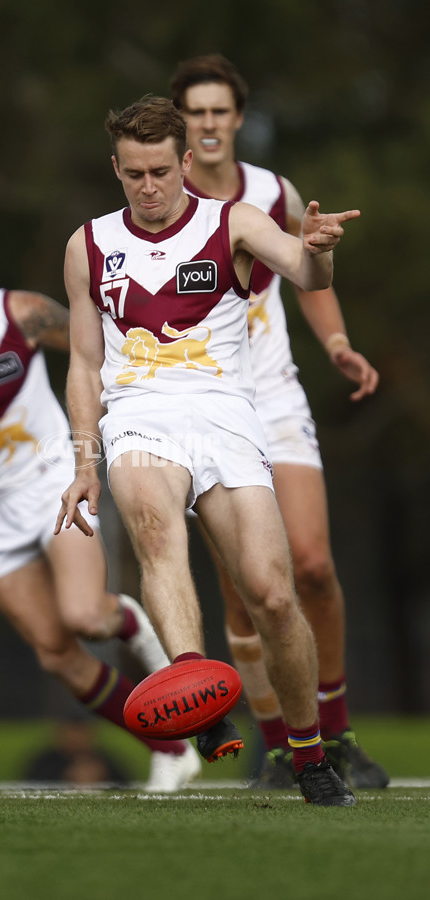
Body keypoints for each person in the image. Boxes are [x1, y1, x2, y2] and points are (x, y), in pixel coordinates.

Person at [55, 95, 362, 807]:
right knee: (156, 537)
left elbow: (304, 272)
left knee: (273, 595)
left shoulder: (234, 222)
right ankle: (194, 688)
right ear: (116, 169)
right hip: (138, 417)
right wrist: (82, 461)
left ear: (186, 161)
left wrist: (320, 254)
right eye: (133, 173)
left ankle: (309, 753)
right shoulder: (88, 245)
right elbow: (82, 363)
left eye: (160, 170)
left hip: (226, 414)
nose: (148, 186)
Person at [0, 224, 202, 793]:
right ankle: (170, 748)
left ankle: (122, 617)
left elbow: (95, 343)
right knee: (56, 656)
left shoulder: (20, 314)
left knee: (84, 618)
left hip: (53, 481)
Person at [169, 54, 388, 790]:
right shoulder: (160, 204)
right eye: (193, 112)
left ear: (237, 117)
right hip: (206, 404)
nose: (206, 124)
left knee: (313, 567)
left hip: (275, 394)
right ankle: (278, 748)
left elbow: (306, 266)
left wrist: (336, 343)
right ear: (180, 123)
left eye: (217, 110)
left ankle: (339, 730)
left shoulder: (271, 191)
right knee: (245, 591)